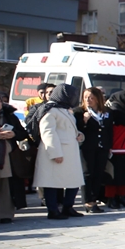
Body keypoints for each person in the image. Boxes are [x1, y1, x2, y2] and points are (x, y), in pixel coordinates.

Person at [33, 84, 85, 220]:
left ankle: (68, 207)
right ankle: (53, 210)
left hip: (70, 152)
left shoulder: (64, 109)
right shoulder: (50, 110)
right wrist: (55, 153)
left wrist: (79, 135)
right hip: (57, 152)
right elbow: (48, 132)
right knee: (52, 182)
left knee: (73, 181)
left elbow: (68, 129)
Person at [0, 91, 28, 223]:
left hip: (8, 157)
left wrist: (12, 134)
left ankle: (4, 214)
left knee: (6, 185)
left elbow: (22, 133)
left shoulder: (10, 116)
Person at [76, 87, 112, 213]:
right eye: (86, 97)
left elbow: (108, 130)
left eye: (91, 97)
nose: (88, 100)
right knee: (88, 173)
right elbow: (77, 129)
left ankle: (94, 199)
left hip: (102, 147)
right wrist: (84, 120)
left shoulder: (106, 112)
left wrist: (109, 146)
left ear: (98, 99)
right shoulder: (79, 112)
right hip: (87, 147)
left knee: (98, 173)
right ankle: (87, 201)